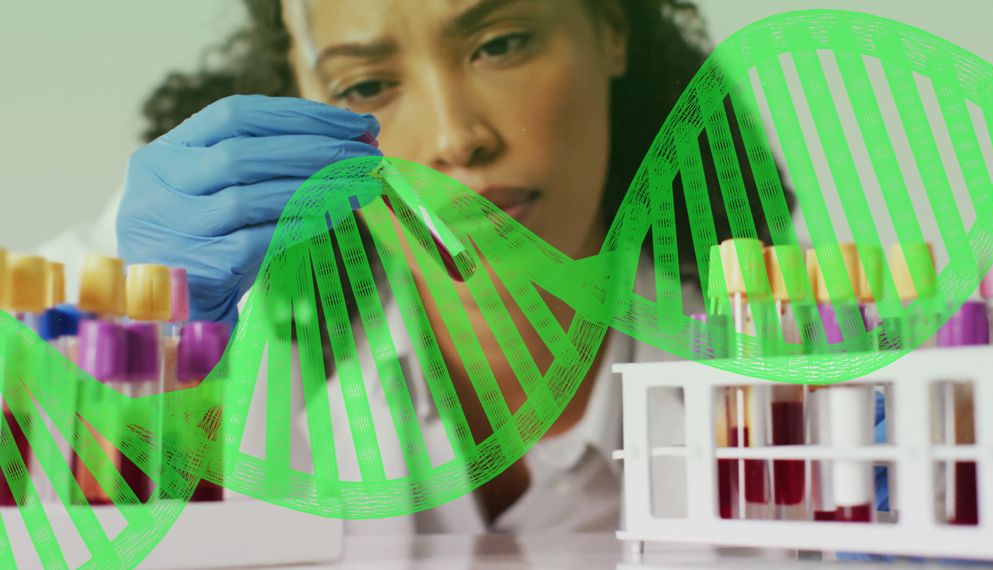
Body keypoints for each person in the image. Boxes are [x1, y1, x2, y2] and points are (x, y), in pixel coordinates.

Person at [39, 0, 785, 534]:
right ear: (303, 96)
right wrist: (136, 318)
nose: (455, 138)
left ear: (610, 28)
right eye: (366, 86)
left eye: (500, 44)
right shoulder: (249, 341)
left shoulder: (783, 354)